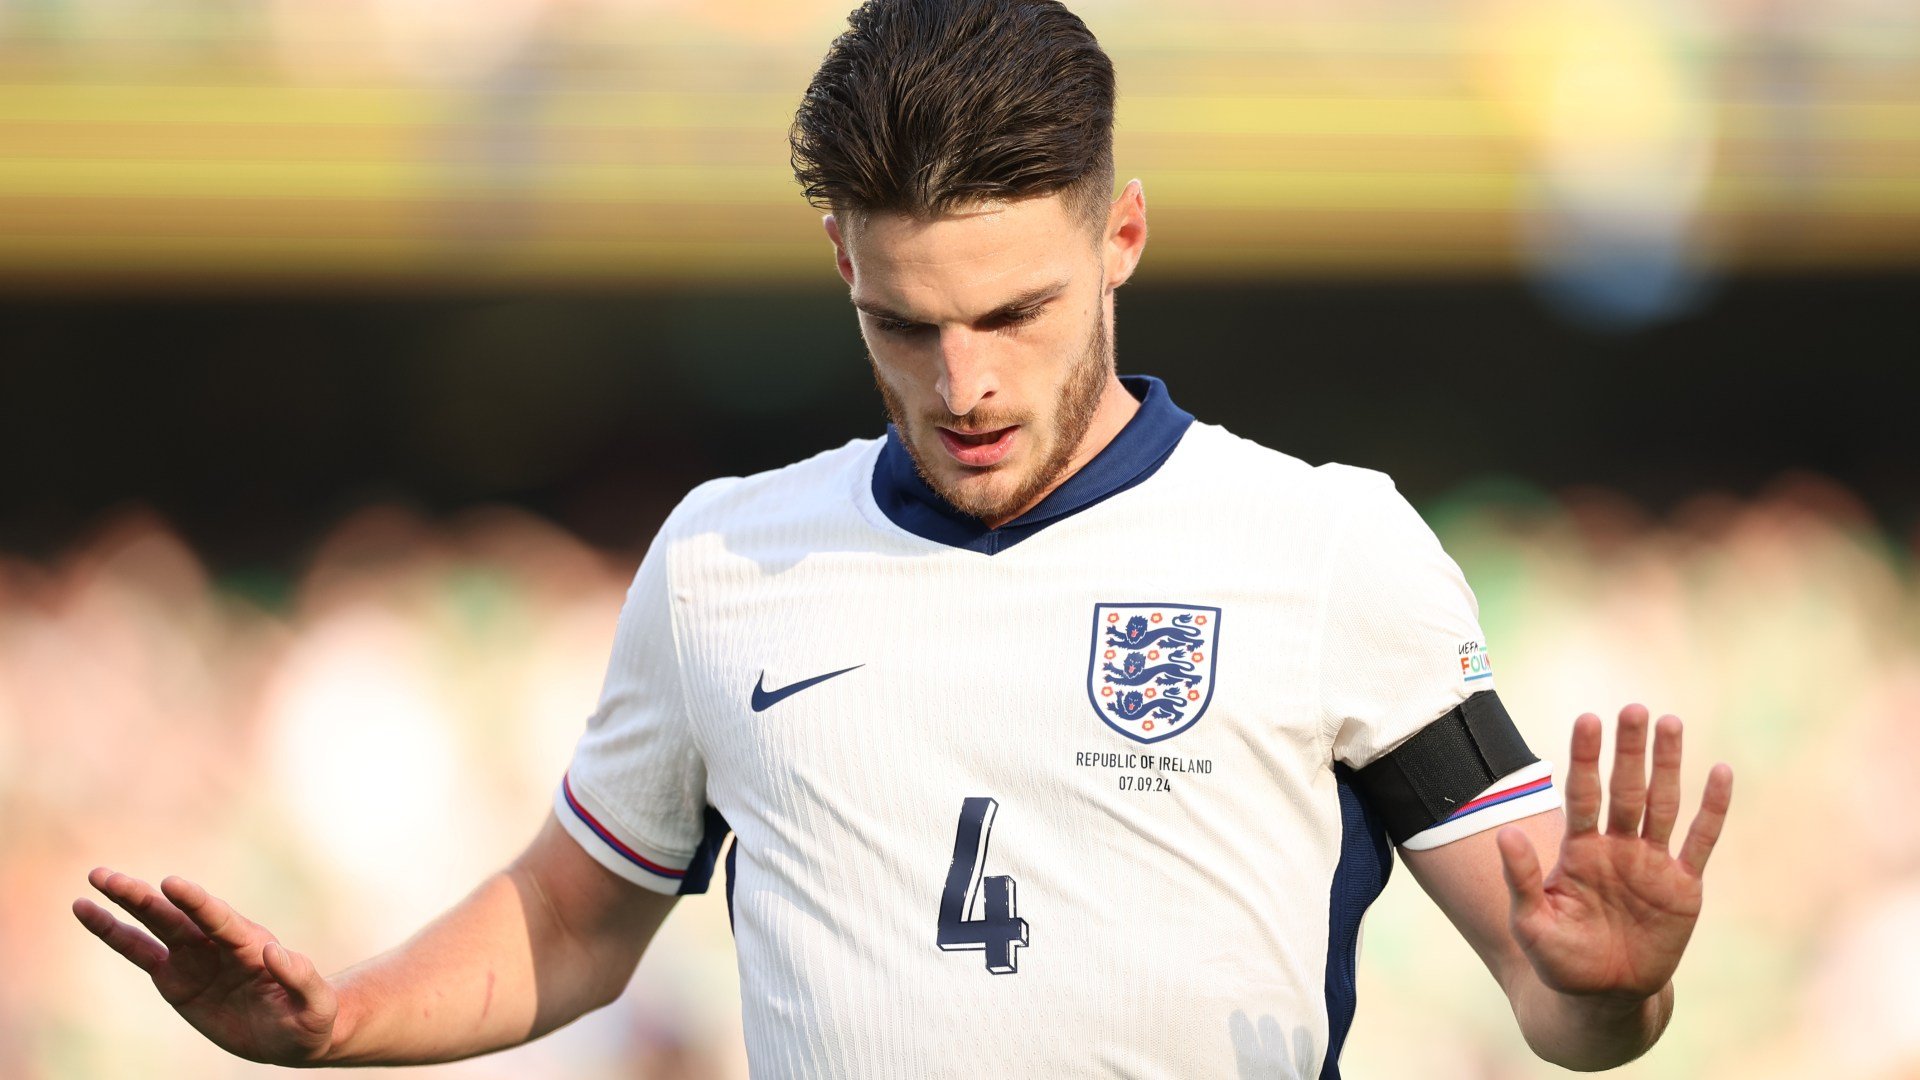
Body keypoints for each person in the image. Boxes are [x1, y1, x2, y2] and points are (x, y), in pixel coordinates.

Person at [73, 1, 1735, 1075]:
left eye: (1014, 311)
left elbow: (1558, 993)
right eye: (906, 325)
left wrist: (1614, 987)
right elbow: (577, 920)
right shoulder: (727, 562)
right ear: (840, 270)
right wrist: (338, 1020)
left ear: (1124, 236)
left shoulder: (1324, 547)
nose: (966, 383)